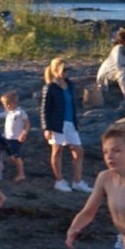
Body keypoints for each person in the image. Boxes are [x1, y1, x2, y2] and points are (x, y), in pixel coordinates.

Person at [43, 58, 90, 191]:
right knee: (57, 151)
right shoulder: (50, 87)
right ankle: (59, 180)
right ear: (56, 70)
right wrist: (47, 128)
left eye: (67, 69)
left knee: (78, 150)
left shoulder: (69, 85)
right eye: (64, 69)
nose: (66, 72)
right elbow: (45, 109)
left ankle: (77, 181)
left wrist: (75, 122)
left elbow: (72, 106)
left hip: (69, 122)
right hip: (56, 123)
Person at [96, 29, 125, 106]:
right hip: (108, 72)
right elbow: (117, 66)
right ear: (124, 40)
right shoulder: (118, 48)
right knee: (122, 74)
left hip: (118, 71)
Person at [0, 90, 30, 182]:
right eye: (4, 104)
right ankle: (0, 169)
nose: (6, 106)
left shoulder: (20, 112)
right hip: (7, 137)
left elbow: (27, 124)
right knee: (5, 153)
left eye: (7, 104)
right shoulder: (8, 112)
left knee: (15, 156)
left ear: (14, 103)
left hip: (16, 138)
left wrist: (24, 133)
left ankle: (21, 174)